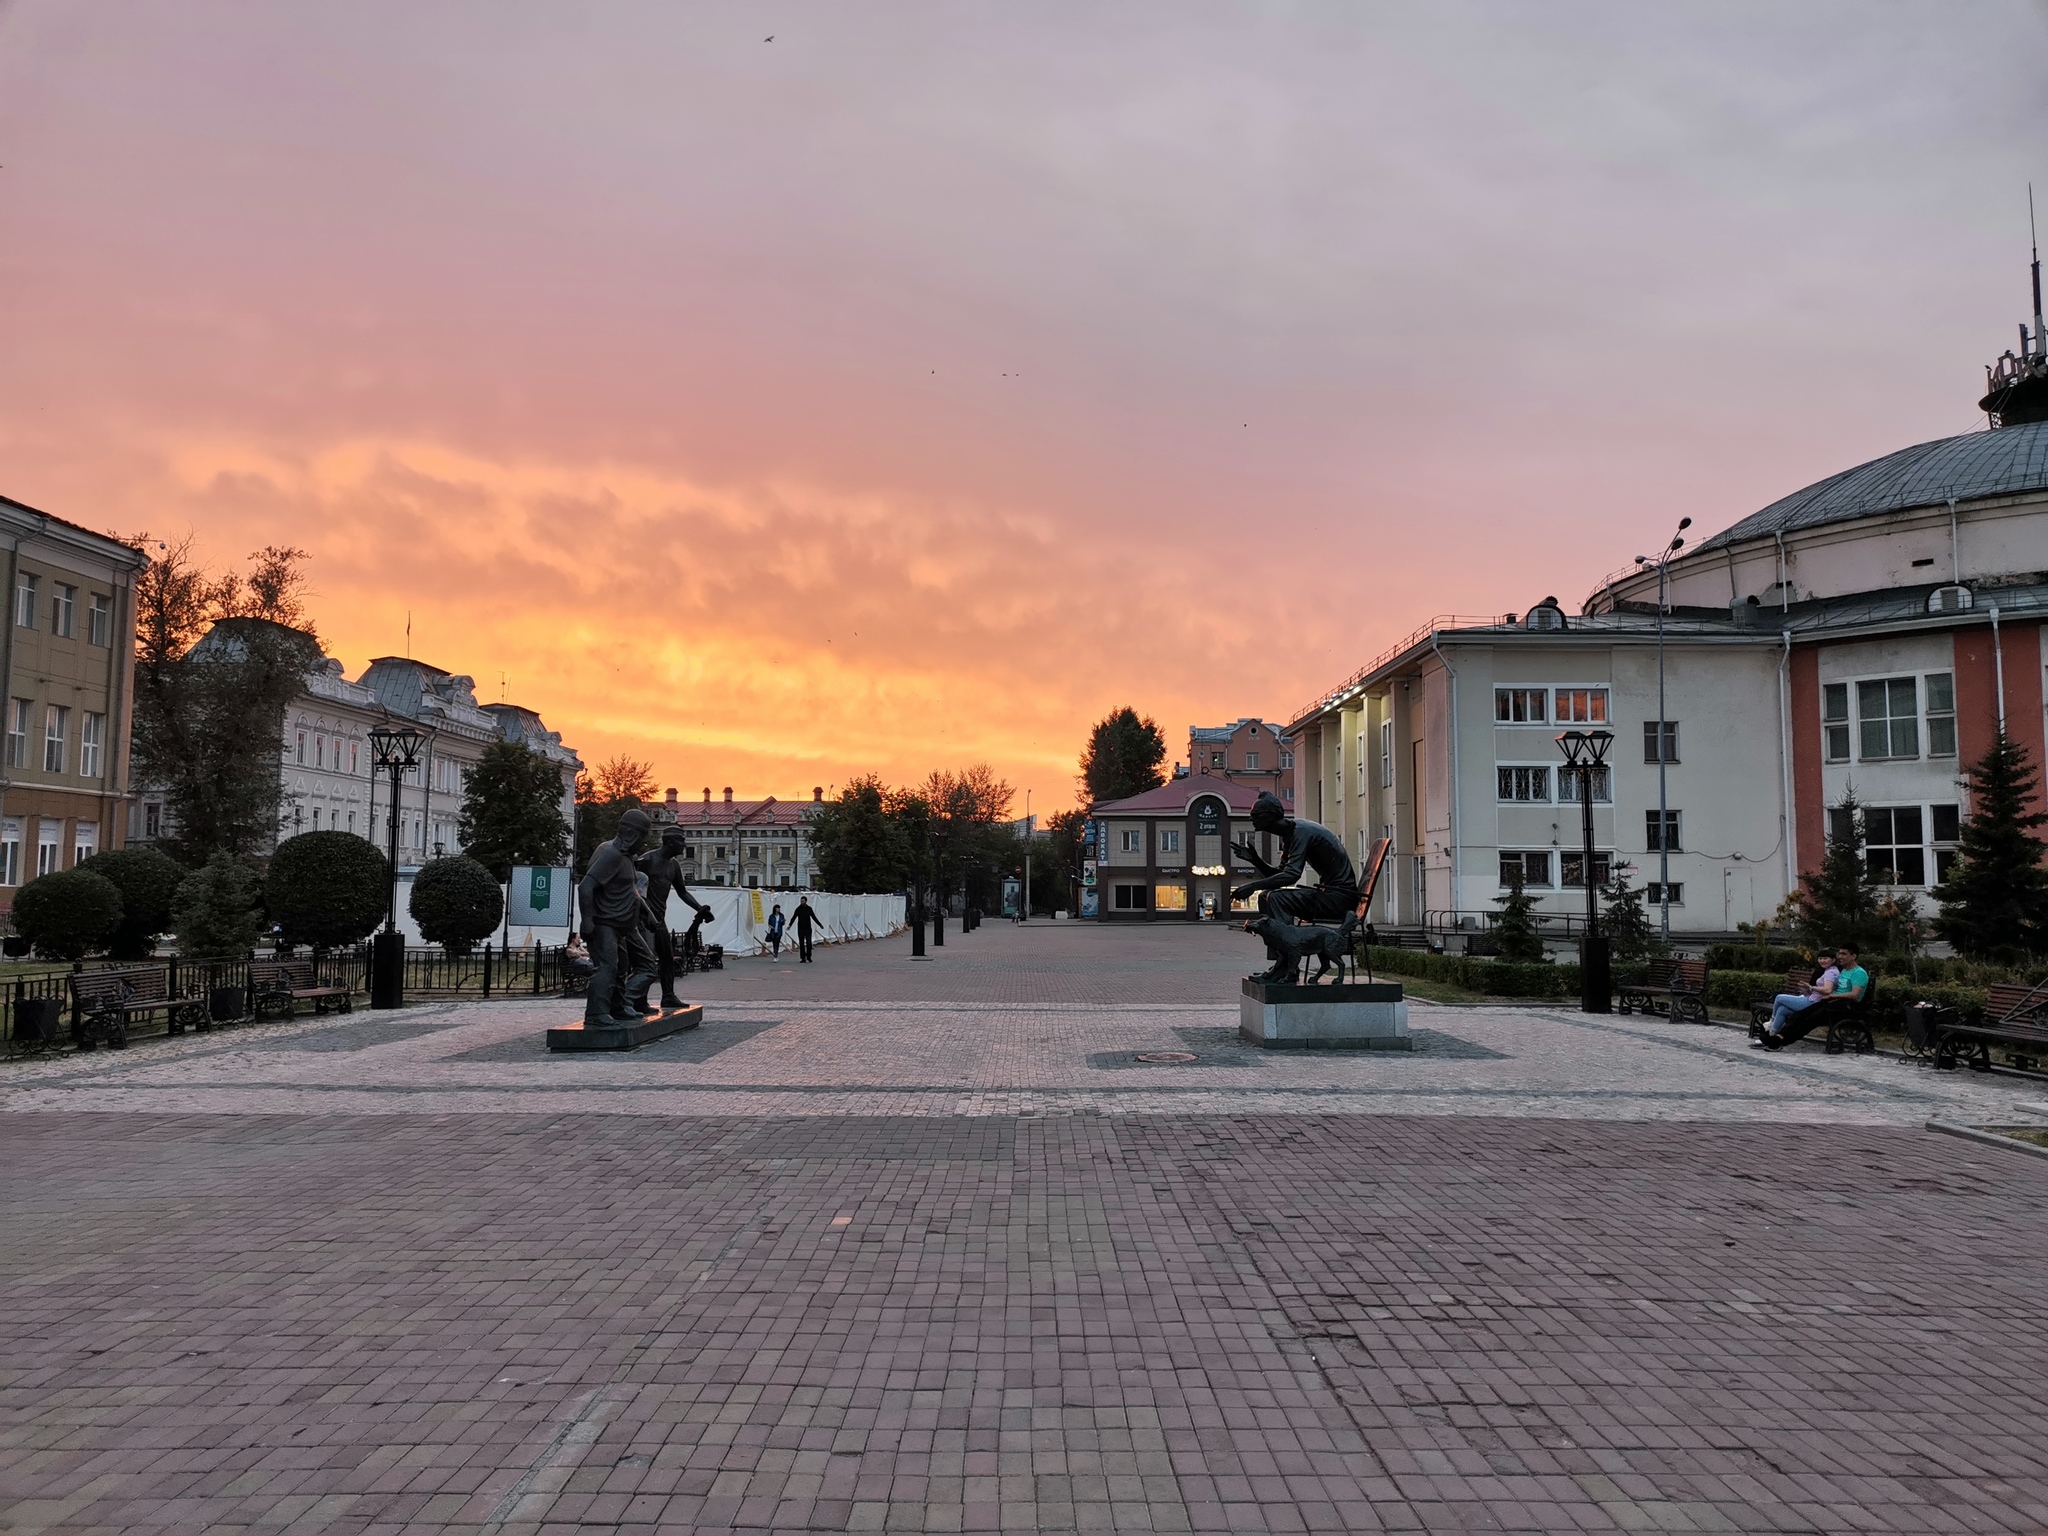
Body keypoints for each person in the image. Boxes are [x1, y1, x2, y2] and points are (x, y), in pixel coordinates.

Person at [1229, 791, 1361, 980]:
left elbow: (1291, 876)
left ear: (1270, 815)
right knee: (1265, 896)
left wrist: (1252, 886)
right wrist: (1256, 860)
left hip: (1339, 899)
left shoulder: (1301, 832)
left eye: (1255, 815)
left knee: (1275, 898)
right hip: (1332, 895)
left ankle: (1285, 969)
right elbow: (1280, 874)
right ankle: (1282, 965)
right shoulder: (1291, 834)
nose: (1252, 819)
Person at [576, 808, 659, 1026]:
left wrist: (647, 913)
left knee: (621, 967)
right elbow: (585, 887)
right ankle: (596, 1013)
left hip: (620, 925)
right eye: (643, 837)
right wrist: (587, 920)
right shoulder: (611, 854)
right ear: (632, 834)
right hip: (604, 923)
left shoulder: (626, 856)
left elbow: (632, 890)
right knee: (607, 967)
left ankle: (617, 1007)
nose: (644, 844)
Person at [638, 826, 712, 1009]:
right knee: (645, 960)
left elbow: (682, 892)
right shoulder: (646, 861)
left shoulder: (674, 865)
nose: (684, 845)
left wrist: (700, 908)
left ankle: (668, 996)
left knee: (667, 958)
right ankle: (638, 1000)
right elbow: (633, 888)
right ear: (670, 841)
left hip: (659, 920)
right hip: (644, 920)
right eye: (681, 841)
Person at [1762, 943, 1867, 1050]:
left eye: (1844, 954)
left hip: (1845, 1007)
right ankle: (1778, 1037)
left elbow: (1854, 995)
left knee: (1810, 1020)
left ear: (1853, 956)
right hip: (1831, 1002)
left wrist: (1832, 995)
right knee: (1799, 1015)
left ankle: (1781, 1041)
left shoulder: (1859, 973)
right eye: (1839, 954)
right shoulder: (1844, 971)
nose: (1840, 956)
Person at [1755, 949, 1837, 1045]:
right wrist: (1807, 989)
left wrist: (1811, 987)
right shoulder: (1827, 971)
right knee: (1782, 1009)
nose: (1822, 961)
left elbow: (1827, 990)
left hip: (1813, 1003)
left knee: (1779, 998)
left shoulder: (1831, 973)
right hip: (1810, 998)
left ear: (1833, 960)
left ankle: (1771, 1022)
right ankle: (1771, 1037)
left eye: (1825, 958)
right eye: (1820, 958)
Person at [792, 896, 818, 962]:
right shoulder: (798, 909)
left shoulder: (809, 909)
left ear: (806, 901)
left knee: (809, 943)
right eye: (801, 901)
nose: (802, 902)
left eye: (803, 901)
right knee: (801, 944)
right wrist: (790, 924)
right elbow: (794, 917)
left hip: (808, 928)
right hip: (800, 928)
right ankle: (803, 958)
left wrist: (819, 924)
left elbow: (814, 917)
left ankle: (809, 957)